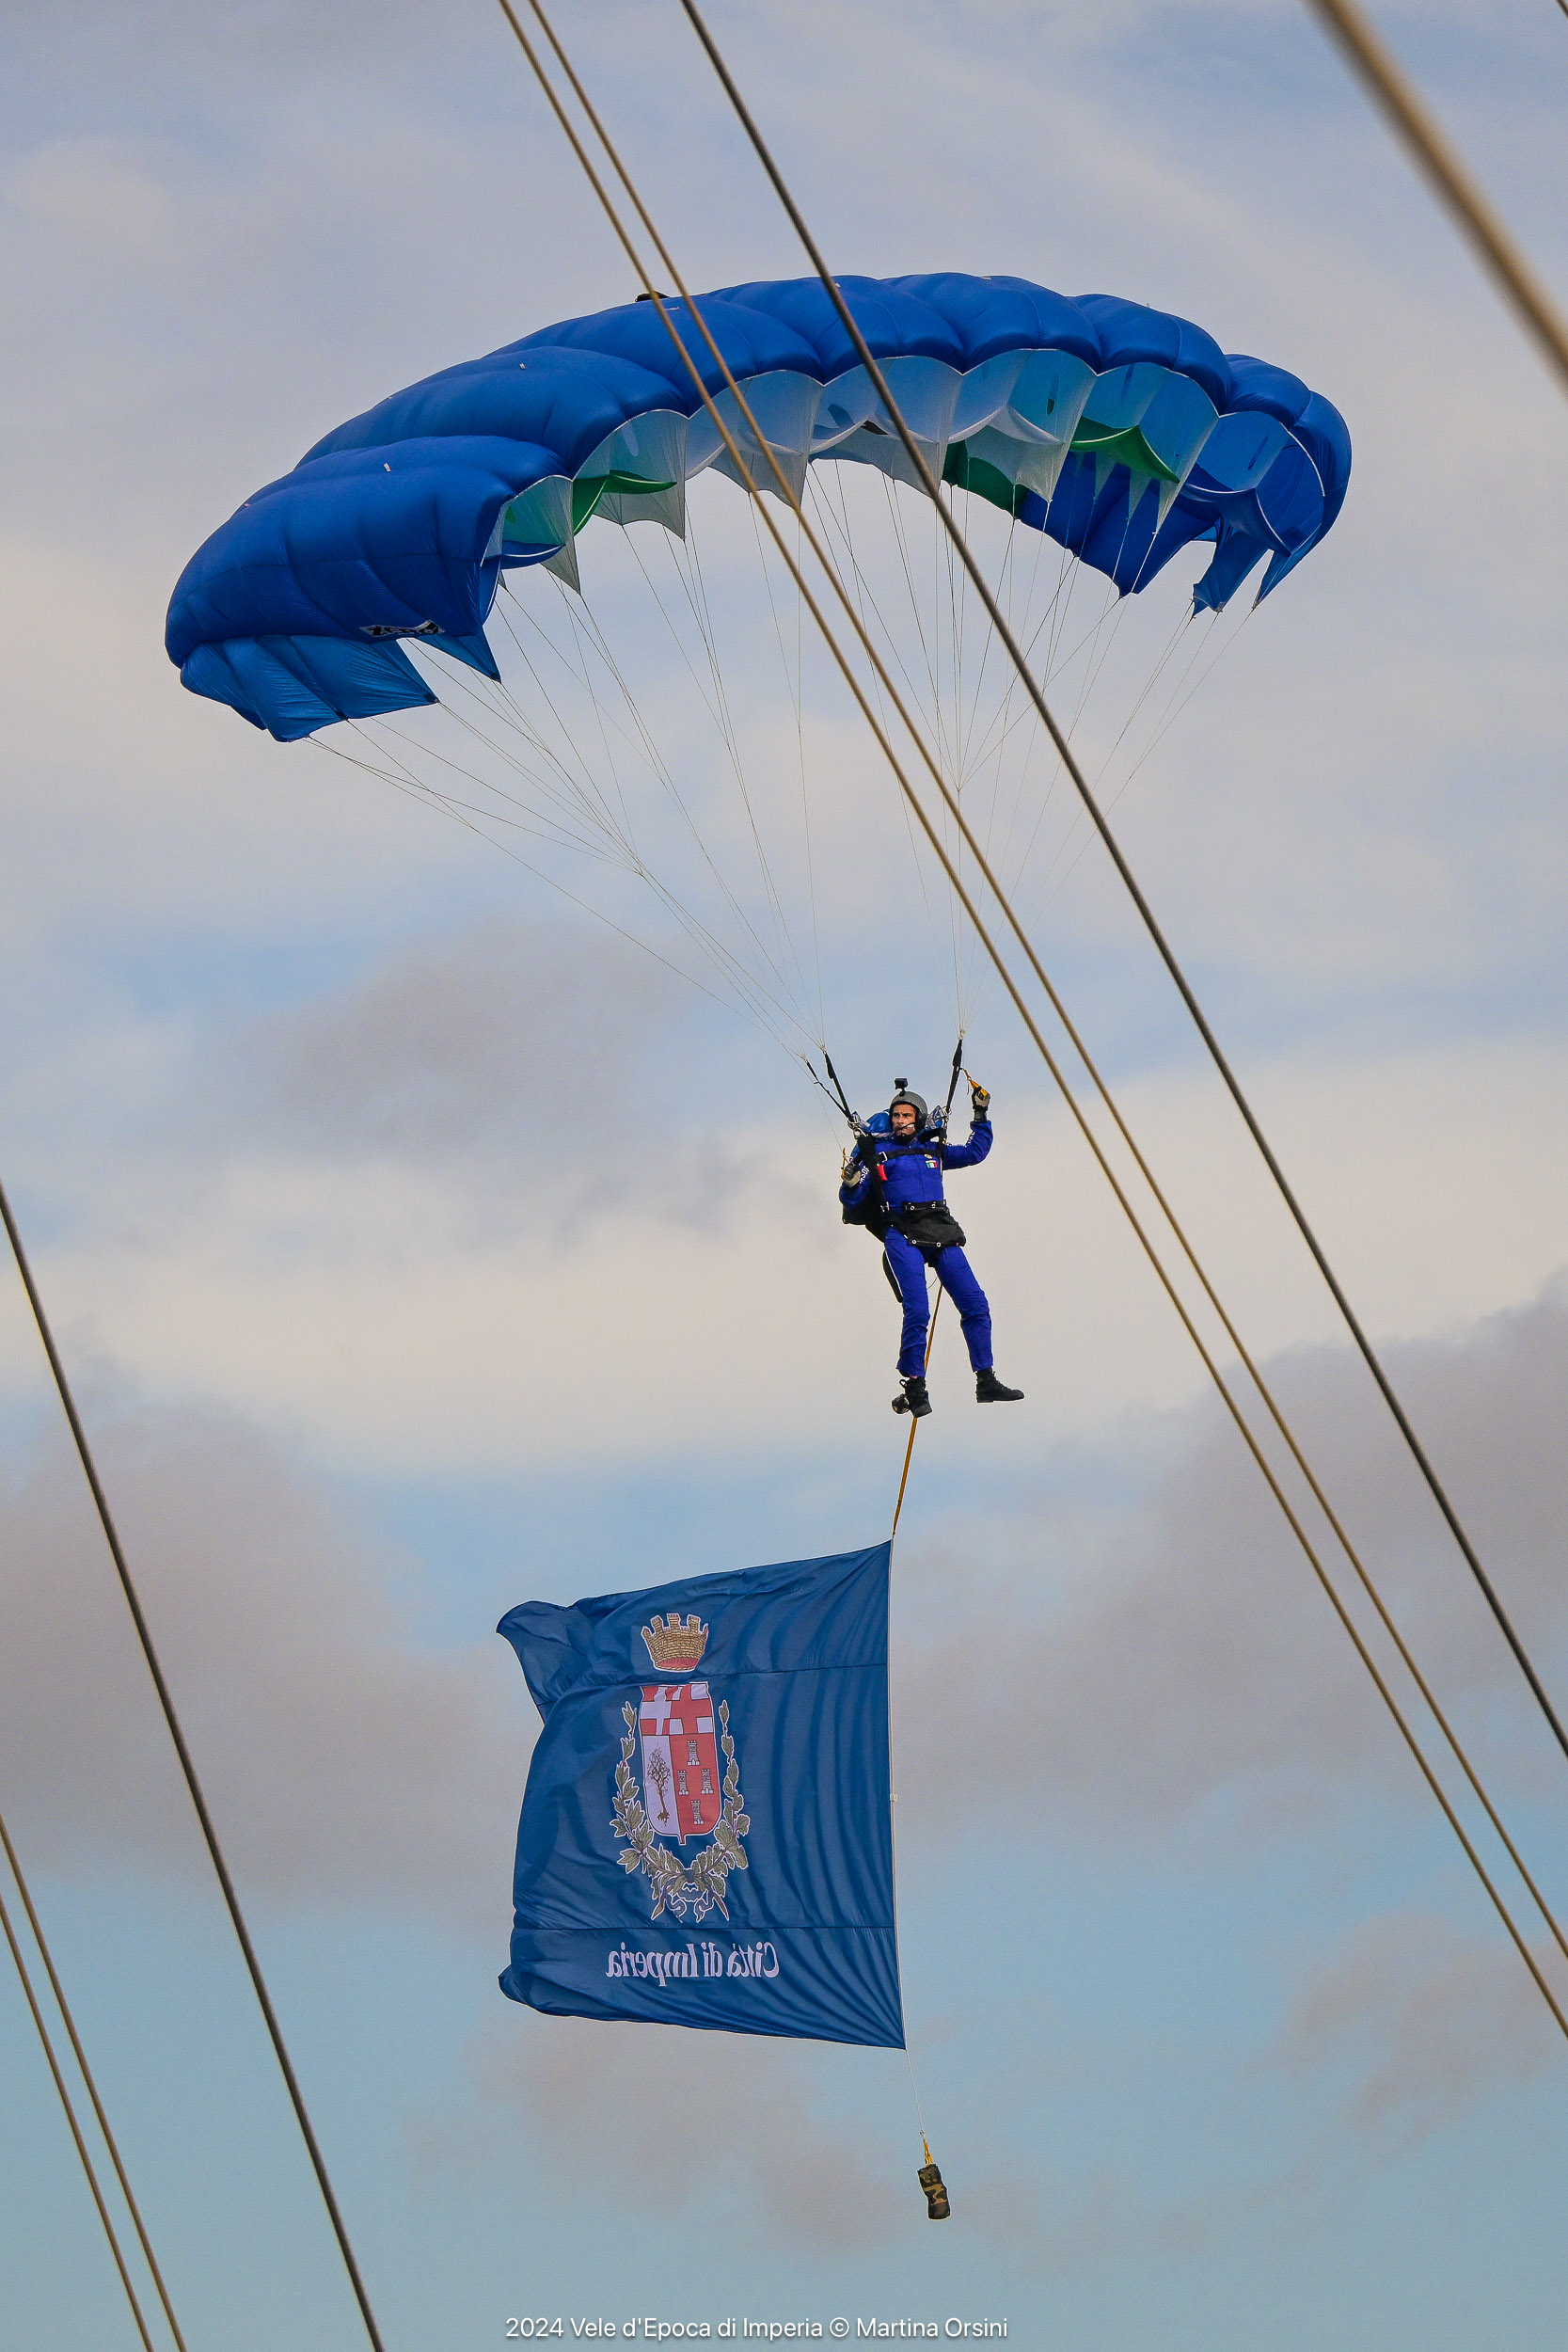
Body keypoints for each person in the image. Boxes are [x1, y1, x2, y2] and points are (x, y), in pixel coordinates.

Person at [840, 1077, 1024, 1418]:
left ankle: (985, 1379)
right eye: (895, 1116)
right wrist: (851, 1183)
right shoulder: (878, 1154)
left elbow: (974, 1152)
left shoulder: (933, 1150)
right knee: (918, 1310)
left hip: (940, 1228)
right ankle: (915, 1385)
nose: (900, 1121)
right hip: (901, 1232)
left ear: (919, 1119)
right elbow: (852, 1197)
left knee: (976, 1304)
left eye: (906, 1115)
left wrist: (980, 1114)